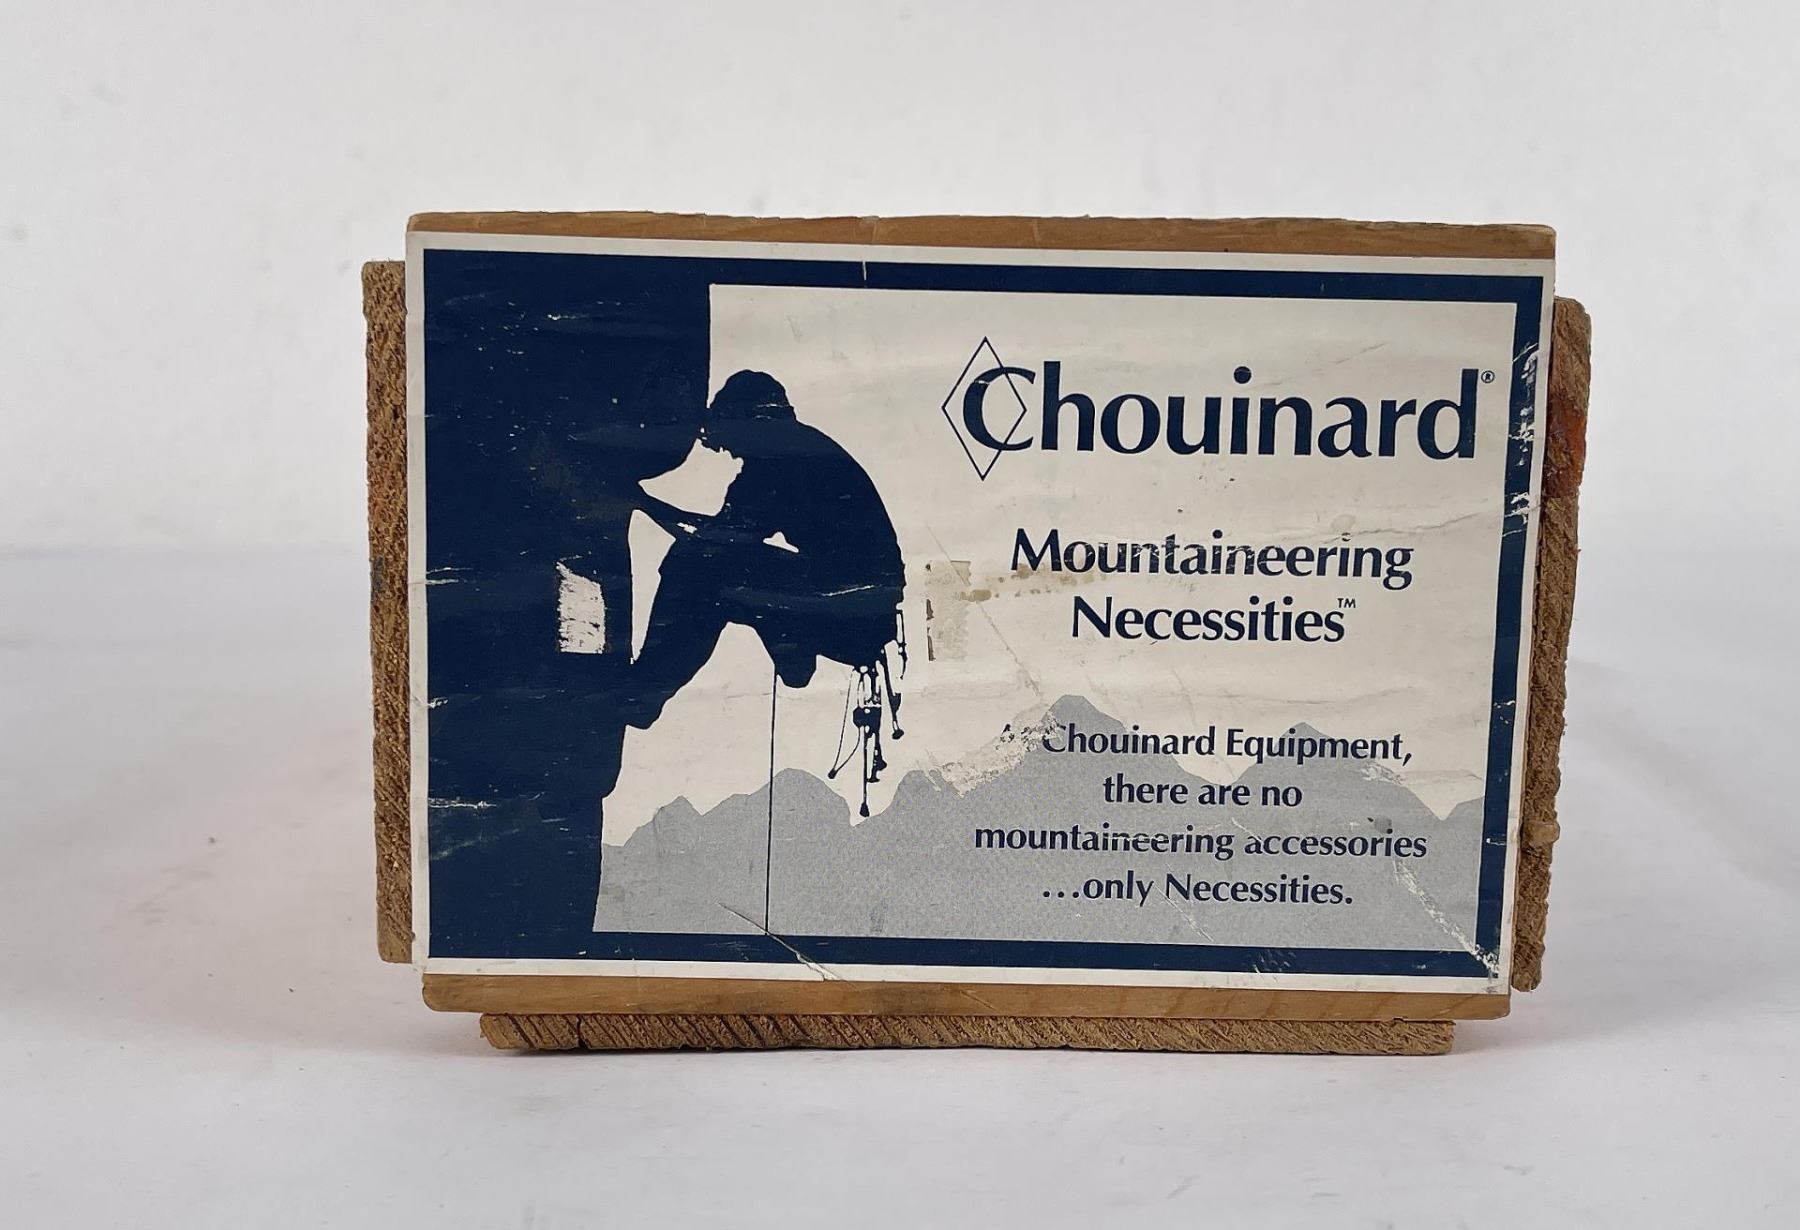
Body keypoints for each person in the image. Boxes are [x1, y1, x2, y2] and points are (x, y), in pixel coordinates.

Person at [625, 370, 906, 739]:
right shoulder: (796, 448)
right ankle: (788, 639)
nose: (728, 450)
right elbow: (727, 536)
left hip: (849, 610)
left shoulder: (775, 461)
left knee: (692, 564)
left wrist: (642, 503)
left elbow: (715, 541)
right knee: (707, 563)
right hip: (864, 609)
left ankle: (644, 691)